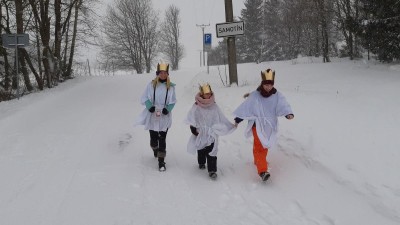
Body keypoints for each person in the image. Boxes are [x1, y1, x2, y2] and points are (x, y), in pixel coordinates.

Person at [233, 69, 294, 181]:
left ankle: (258, 160)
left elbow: (283, 105)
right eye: (266, 85)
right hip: (258, 125)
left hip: (269, 126)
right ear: (262, 84)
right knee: (260, 145)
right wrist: (238, 119)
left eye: (270, 85)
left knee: (263, 146)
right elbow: (247, 108)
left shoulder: (277, 95)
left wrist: (288, 114)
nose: (268, 87)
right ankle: (262, 171)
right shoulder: (255, 96)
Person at [185, 83, 235, 180]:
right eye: (206, 94)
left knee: (212, 150)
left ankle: (212, 170)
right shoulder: (196, 106)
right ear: (202, 94)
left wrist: (229, 126)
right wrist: (193, 128)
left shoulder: (214, 106)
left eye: (209, 94)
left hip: (212, 133)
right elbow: (191, 117)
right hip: (200, 132)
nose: (208, 95)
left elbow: (221, 117)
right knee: (201, 149)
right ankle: (201, 162)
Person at [136, 63, 176, 171]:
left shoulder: (171, 87)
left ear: (167, 74)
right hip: (153, 114)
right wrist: (149, 106)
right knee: (154, 139)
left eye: (165, 73)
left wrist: (168, 109)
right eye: (161, 73)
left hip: (164, 115)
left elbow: (173, 101)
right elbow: (144, 97)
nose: (163, 75)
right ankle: (155, 148)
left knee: (162, 138)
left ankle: (161, 161)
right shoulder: (151, 85)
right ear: (157, 74)